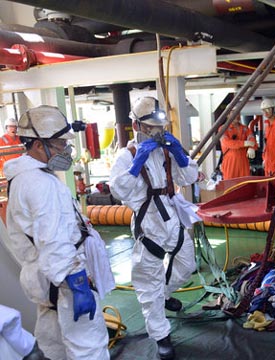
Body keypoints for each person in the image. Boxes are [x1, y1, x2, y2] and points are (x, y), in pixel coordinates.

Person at [4, 105, 110, 359]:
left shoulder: (25, 177)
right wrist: (78, 283)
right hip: (64, 282)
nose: (66, 150)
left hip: (45, 279)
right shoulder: (41, 185)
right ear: (39, 145)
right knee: (89, 346)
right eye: (61, 144)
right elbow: (53, 239)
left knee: (54, 345)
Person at [109, 96, 199, 360]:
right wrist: (137, 164)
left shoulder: (167, 151)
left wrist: (181, 156)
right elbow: (119, 190)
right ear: (138, 126)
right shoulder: (127, 157)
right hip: (149, 222)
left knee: (186, 265)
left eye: (160, 126)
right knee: (149, 281)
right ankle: (161, 334)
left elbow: (189, 177)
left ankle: (165, 295)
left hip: (172, 216)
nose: (157, 131)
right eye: (151, 126)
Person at [219, 111, 257, 179]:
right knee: (230, 186)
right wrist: (244, 143)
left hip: (243, 162)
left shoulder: (245, 129)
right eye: (233, 112)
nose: (236, 115)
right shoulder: (223, 129)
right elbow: (226, 142)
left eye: (237, 113)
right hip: (230, 163)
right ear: (228, 115)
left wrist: (252, 147)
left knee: (245, 185)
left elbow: (252, 139)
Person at [260, 98, 275, 176]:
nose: (265, 112)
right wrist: (264, 158)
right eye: (263, 110)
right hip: (268, 164)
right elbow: (265, 145)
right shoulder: (266, 125)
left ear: (273, 109)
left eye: (268, 109)